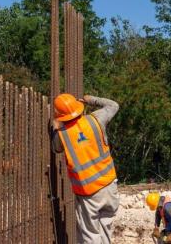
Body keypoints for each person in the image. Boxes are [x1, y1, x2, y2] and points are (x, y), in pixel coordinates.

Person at [51, 93, 119, 244]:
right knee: (105, 230)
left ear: (60, 116)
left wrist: (56, 128)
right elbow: (114, 105)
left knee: (91, 235)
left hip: (89, 193)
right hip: (109, 185)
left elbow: (55, 148)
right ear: (78, 106)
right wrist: (91, 100)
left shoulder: (62, 135)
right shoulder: (96, 119)